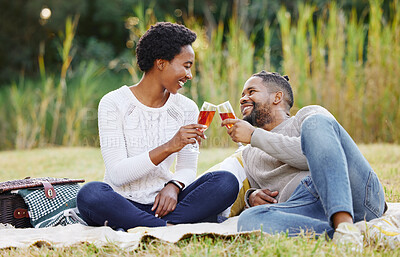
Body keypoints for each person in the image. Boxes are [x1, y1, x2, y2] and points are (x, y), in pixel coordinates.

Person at [77, 22, 239, 231]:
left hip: (168, 203)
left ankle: (154, 225)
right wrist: (169, 146)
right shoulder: (114, 102)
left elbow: (187, 168)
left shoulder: (186, 107)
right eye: (186, 66)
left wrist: (174, 186)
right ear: (161, 63)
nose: (189, 75)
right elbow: (117, 174)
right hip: (122, 203)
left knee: (225, 181)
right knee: (90, 194)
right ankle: (168, 227)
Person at [221, 70, 386, 246]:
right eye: (242, 94)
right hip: (307, 208)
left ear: (277, 97)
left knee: (315, 123)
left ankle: (344, 223)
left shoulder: (308, 117)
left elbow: (316, 157)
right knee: (249, 220)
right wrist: (252, 196)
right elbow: (265, 195)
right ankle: (355, 234)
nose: (243, 98)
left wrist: (255, 135)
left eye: (251, 92)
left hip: (355, 195)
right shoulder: (249, 152)